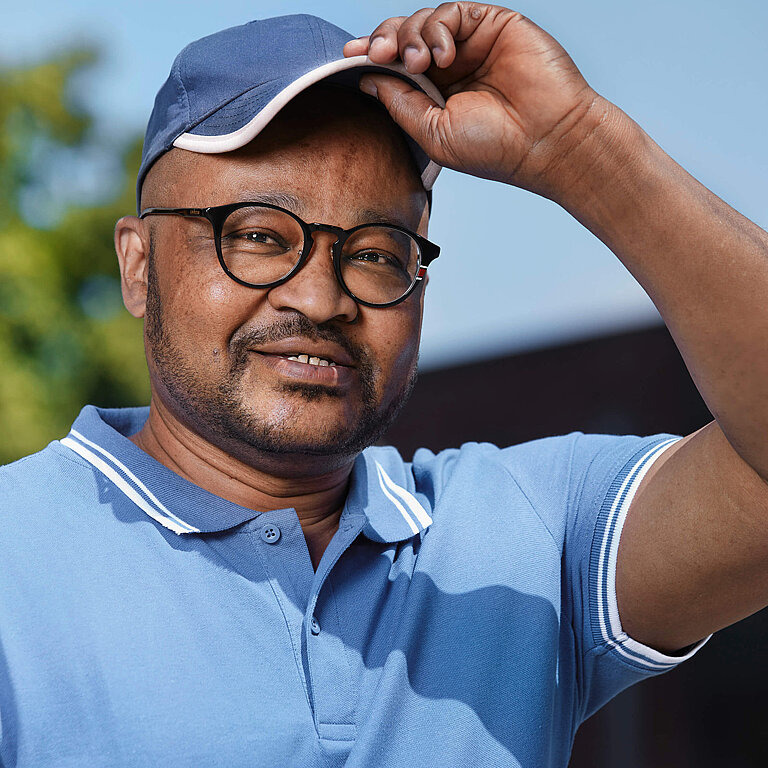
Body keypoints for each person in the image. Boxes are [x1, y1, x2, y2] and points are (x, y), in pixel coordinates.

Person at [2, 3, 768, 766]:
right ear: (139, 266)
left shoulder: (531, 540)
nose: (322, 299)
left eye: (375, 252)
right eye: (260, 236)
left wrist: (578, 148)